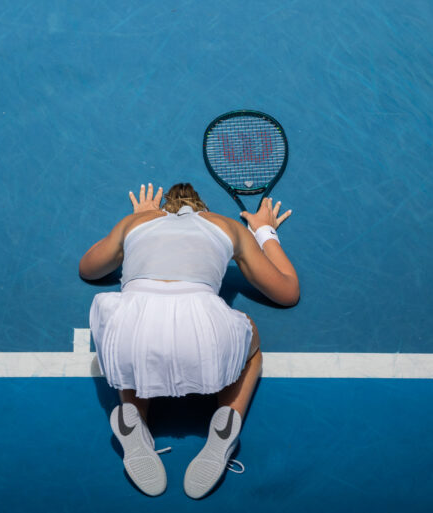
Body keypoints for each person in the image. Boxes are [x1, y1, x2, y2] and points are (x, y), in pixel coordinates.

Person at [79, 182, 299, 499]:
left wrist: (134, 222)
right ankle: (226, 423)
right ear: (204, 210)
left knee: (134, 331)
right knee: (249, 335)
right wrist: (264, 232)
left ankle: (134, 419)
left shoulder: (135, 223)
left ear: (163, 210)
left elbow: (89, 268)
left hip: (132, 340)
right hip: (203, 339)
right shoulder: (229, 227)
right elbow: (288, 293)